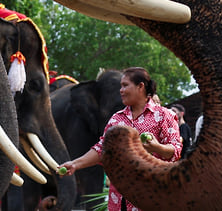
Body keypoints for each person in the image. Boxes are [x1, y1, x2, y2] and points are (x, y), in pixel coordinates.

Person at [58, 67, 182, 211]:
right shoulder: (117, 119)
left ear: (140, 86)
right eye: (120, 86)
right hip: (119, 199)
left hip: (151, 194)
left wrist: (157, 147)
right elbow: (101, 149)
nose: (121, 90)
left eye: (125, 86)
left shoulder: (163, 115)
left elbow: (175, 150)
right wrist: (75, 164)